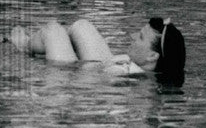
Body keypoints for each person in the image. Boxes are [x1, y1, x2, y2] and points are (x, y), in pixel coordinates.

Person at [11, 17, 186, 85]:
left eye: (140, 37)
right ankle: (30, 44)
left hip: (68, 76)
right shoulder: (140, 70)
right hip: (96, 68)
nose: (132, 36)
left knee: (53, 30)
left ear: (152, 56)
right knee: (81, 26)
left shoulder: (136, 81)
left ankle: (24, 46)